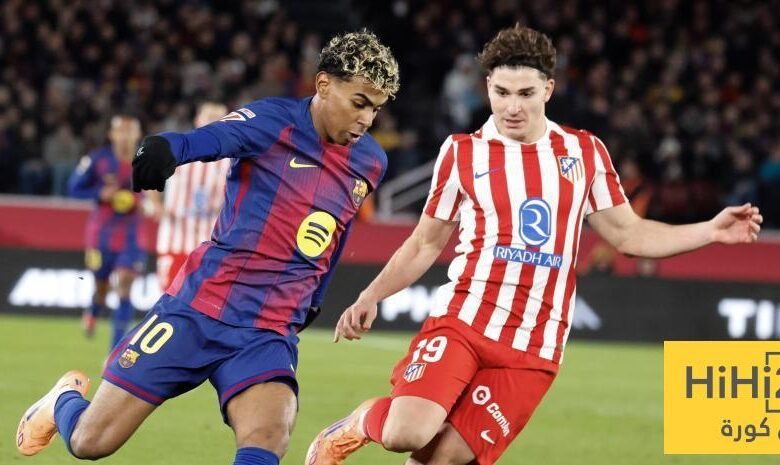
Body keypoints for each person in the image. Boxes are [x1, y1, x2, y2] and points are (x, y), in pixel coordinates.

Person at [306, 25, 763, 465]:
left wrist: (709, 231)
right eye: (501, 92)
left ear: (548, 89)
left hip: (534, 347)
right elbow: (425, 243)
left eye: (525, 93)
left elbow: (629, 234)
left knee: (442, 459)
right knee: (406, 433)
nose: (512, 107)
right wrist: (371, 295)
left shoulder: (584, 152)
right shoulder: (462, 152)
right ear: (487, 87)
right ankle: (353, 426)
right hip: (464, 321)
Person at [16, 30, 400, 465]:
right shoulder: (273, 121)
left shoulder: (371, 162)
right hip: (200, 308)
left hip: (268, 329)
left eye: (376, 109)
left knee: (268, 439)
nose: (367, 120)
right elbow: (211, 139)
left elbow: (337, 229)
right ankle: (62, 401)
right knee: (91, 442)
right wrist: (167, 148)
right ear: (324, 85)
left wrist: (316, 297)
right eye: (359, 103)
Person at [67, 115, 147, 348]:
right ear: (112, 135)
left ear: (137, 135)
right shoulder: (97, 159)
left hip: (132, 235)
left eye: (130, 131)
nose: (125, 136)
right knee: (101, 288)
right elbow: (73, 188)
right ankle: (94, 309)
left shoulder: (147, 160)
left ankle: (114, 352)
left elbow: (157, 194)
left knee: (125, 284)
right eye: (121, 131)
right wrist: (99, 193)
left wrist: (145, 202)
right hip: (100, 236)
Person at [148, 101, 230, 291]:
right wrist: (156, 204)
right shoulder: (177, 148)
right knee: (168, 297)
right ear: (198, 119)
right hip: (175, 238)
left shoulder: (233, 159)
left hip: (211, 245)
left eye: (219, 118)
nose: (214, 122)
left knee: (204, 301)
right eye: (209, 117)